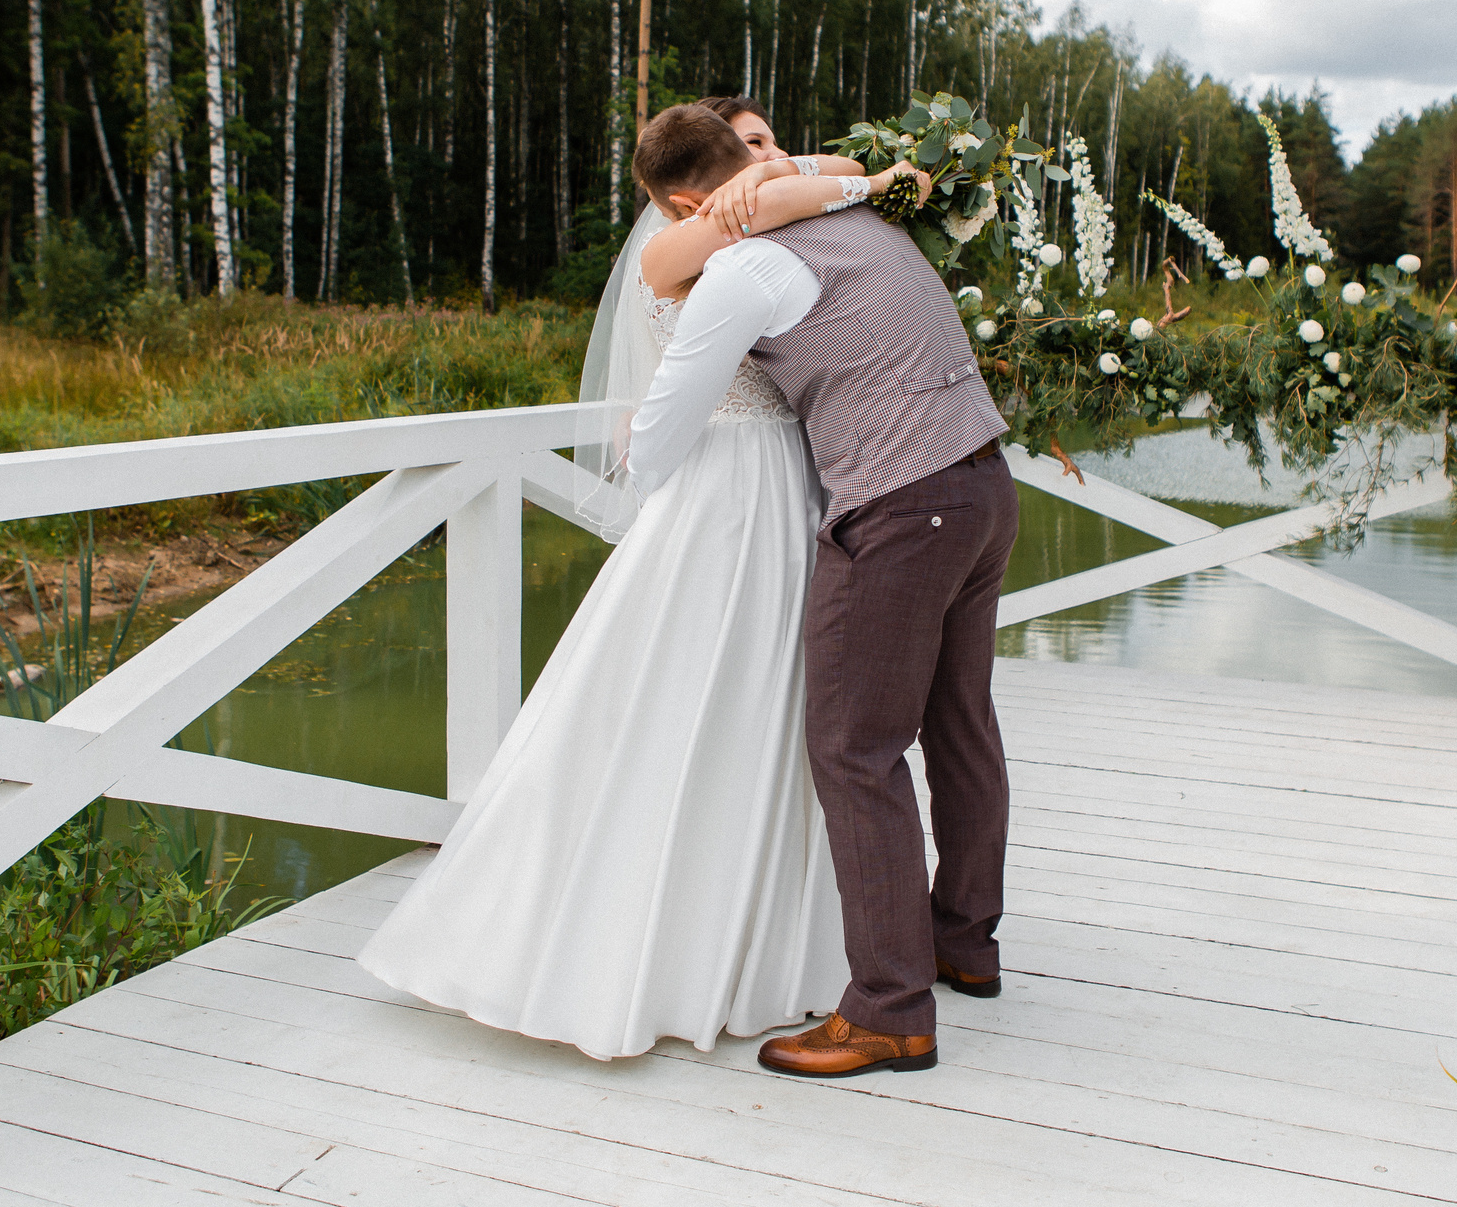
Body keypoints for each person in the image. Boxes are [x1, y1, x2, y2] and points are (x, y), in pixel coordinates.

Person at [356, 105, 925, 1061]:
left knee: (778, 704)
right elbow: (665, 421)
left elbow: (814, 175)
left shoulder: (750, 223)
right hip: (737, 490)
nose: (768, 169)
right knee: (708, 693)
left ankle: (788, 939)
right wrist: (849, 186)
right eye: (749, 157)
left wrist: (826, 175)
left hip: (784, 483)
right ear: (695, 198)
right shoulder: (688, 251)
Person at [626, 111, 1019, 1080]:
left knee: (853, 750)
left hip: (898, 510)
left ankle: (888, 1009)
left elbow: (660, 434)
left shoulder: (749, 270)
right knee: (958, 723)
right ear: (758, 169)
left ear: (690, 205)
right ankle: (961, 944)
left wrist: (646, 483)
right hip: (981, 485)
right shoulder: (865, 228)